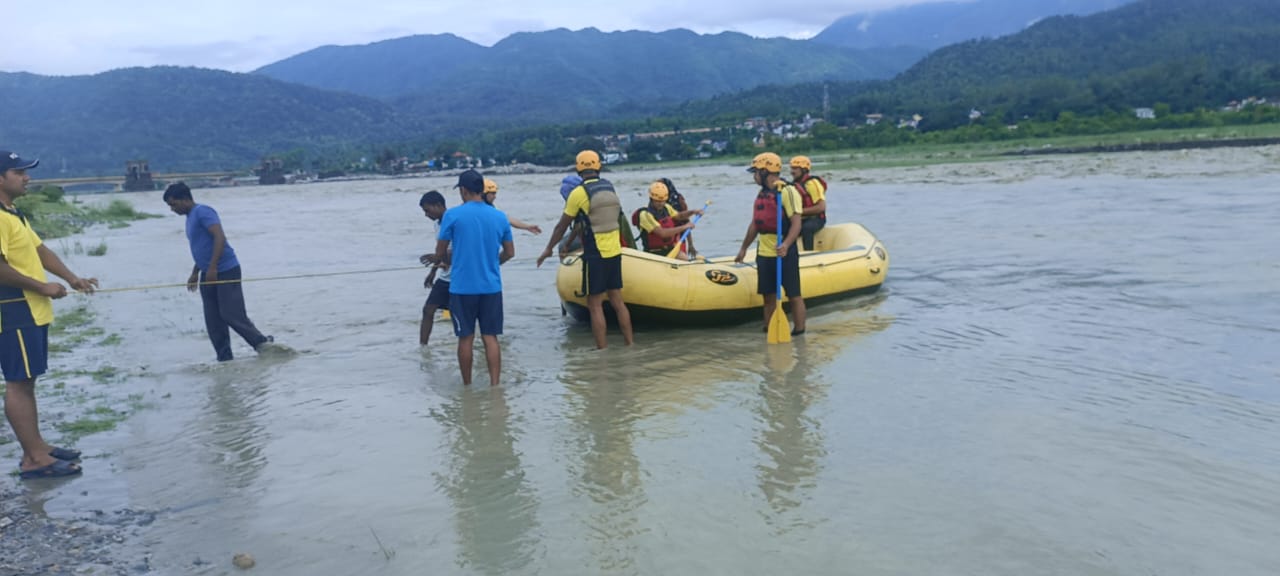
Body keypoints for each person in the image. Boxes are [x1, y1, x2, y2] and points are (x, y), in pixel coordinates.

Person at [0, 150, 99, 479]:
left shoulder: (12, 213)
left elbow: (39, 250)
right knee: (18, 383)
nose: (26, 177)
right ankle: (33, 459)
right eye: (19, 172)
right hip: (13, 311)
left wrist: (72, 278)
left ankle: (38, 446)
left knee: (27, 380)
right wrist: (42, 287)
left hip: (30, 312)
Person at [162, 182, 284, 361]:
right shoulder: (189, 218)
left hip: (225, 270)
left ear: (186, 199)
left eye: (174, 204)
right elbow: (202, 247)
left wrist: (213, 267)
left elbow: (219, 237)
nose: (172, 209)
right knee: (213, 320)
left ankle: (263, 344)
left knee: (231, 314)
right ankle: (224, 358)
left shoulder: (203, 212)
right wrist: (195, 272)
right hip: (207, 272)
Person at [537, 150, 634, 349]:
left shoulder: (578, 193)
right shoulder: (609, 187)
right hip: (615, 252)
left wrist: (548, 249)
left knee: (594, 304)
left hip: (595, 254)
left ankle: (602, 351)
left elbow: (562, 226)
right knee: (617, 301)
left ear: (578, 169)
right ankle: (629, 344)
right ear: (598, 166)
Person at [431, 170, 514, 386]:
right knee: (490, 337)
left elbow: (440, 252)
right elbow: (510, 252)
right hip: (491, 286)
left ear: (463, 190)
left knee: (465, 337)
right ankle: (495, 385)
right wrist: (493, 264)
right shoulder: (500, 216)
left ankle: (467, 385)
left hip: (462, 287)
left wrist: (445, 260)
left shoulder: (452, 215)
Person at [735, 152, 807, 335]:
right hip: (764, 252)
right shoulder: (762, 193)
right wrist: (743, 248)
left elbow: (796, 223)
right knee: (768, 296)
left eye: (756, 172)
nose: (754, 176)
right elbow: (755, 224)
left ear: (765, 171)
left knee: (793, 294)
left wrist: (786, 245)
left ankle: (799, 333)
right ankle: (769, 330)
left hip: (785, 252)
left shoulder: (788, 191)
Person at [632, 180, 702, 258]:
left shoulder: (666, 208)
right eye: (657, 201)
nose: (661, 204)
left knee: (684, 257)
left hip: (669, 249)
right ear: (651, 199)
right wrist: (684, 227)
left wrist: (693, 212)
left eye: (663, 201)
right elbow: (663, 233)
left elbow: (679, 216)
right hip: (653, 253)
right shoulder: (645, 215)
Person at [418, 190, 451, 346]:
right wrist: (432, 271)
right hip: (445, 277)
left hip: (460, 277)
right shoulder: (437, 224)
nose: (426, 215)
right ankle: (423, 348)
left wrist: (438, 257)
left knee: (461, 314)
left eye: (427, 210)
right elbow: (440, 249)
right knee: (428, 310)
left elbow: (460, 248)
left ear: (438, 205)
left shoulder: (454, 220)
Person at [788, 156, 827, 251]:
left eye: (795, 168)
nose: (792, 172)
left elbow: (821, 207)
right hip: (801, 219)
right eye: (792, 168)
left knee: (807, 228)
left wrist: (798, 212)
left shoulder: (813, 183)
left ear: (804, 170)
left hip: (816, 219)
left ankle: (809, 253)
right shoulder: (793, 185)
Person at [557, 174, 585, 256]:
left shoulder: (576, 202)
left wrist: (567, 245)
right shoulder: (590, 195)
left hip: (590, 237)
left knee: (562, 246)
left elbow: (578, 226)